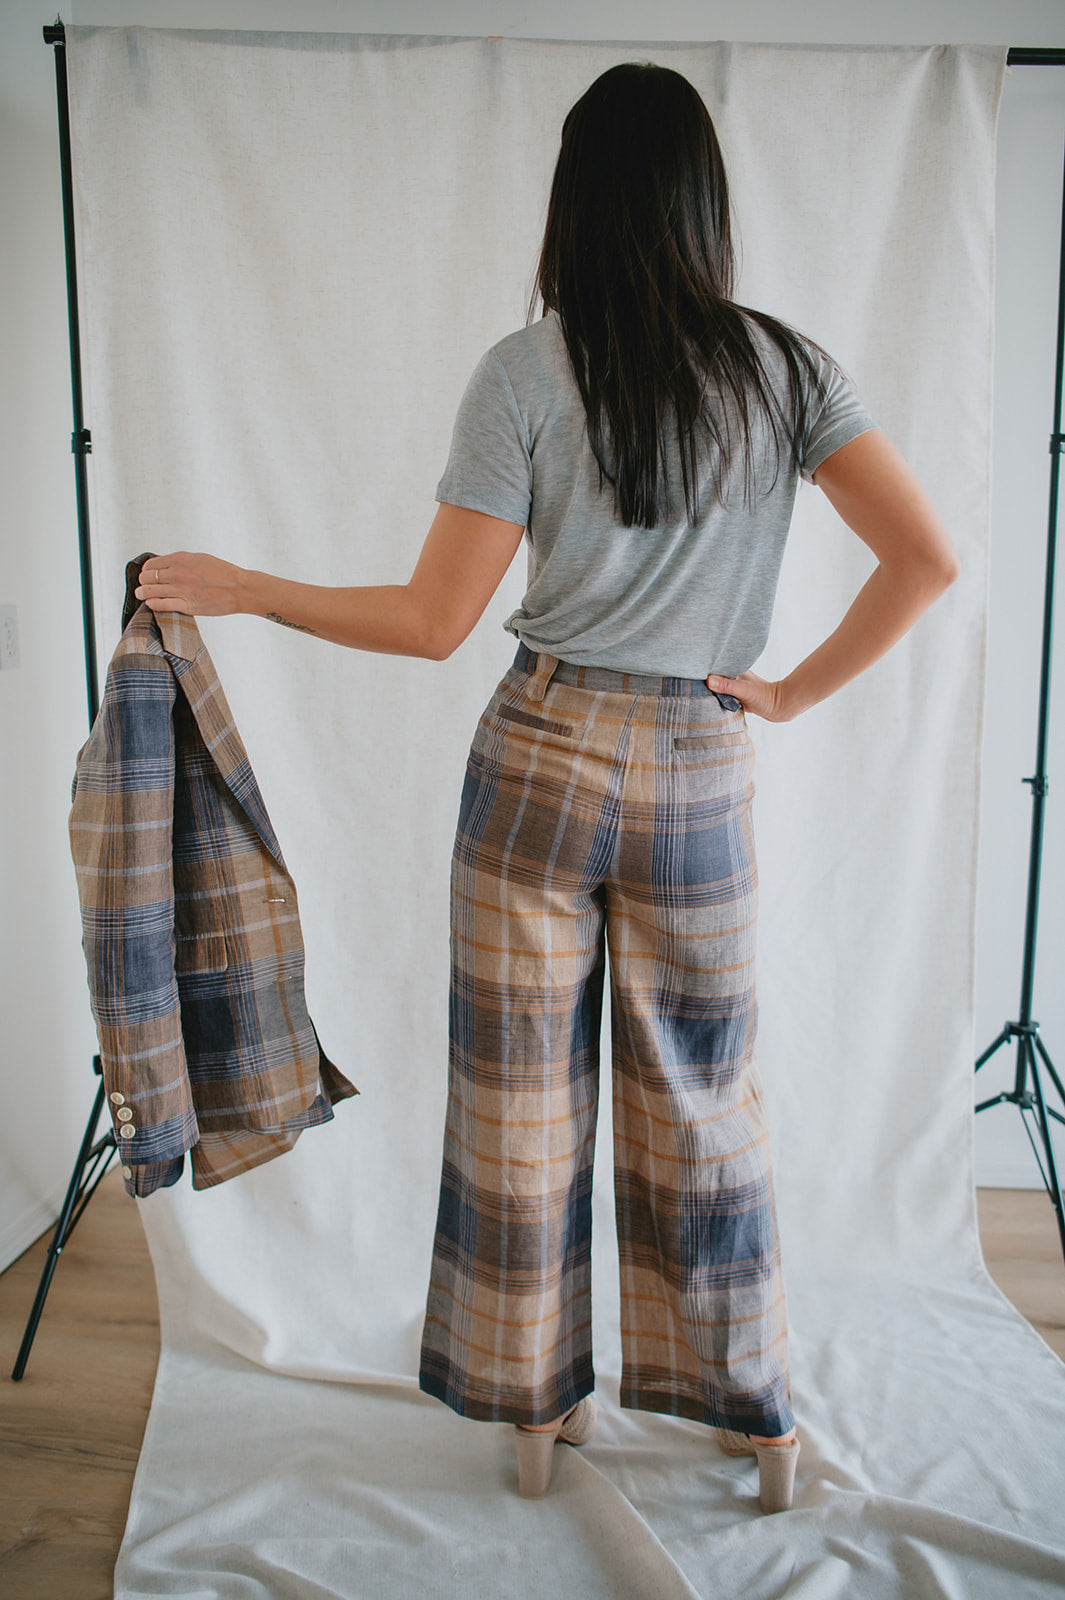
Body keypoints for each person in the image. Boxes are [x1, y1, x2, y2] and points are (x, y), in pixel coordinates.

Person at [134, 61, 959, 1516]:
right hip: (699, 769)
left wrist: (250, 586)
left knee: (517, 1100)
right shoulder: (788, 372)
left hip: (540, 758)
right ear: (703, 204)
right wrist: (781, 694)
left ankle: (532, 1408)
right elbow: (927, 559)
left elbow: (430, 622)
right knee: (703, 1098)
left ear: (574, 201)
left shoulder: (525, 371)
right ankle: (752, 1414)